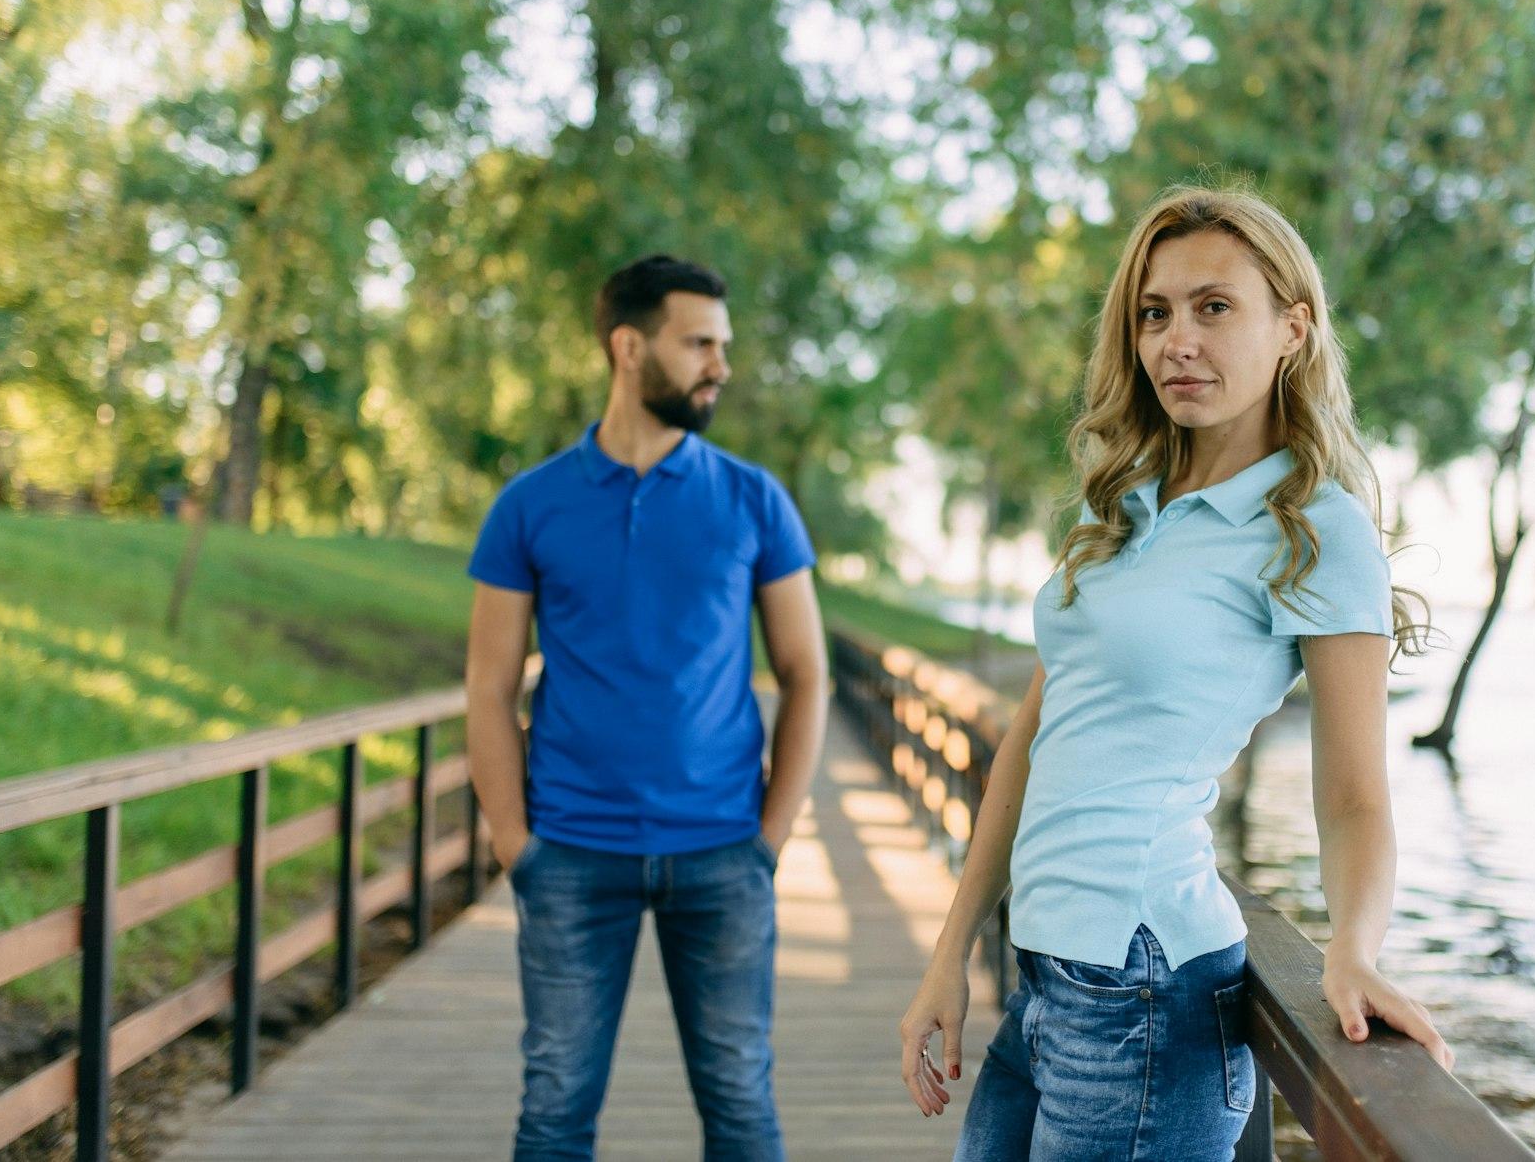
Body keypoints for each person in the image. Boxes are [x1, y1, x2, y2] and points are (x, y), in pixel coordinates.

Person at [897, 185, 1453, 1160]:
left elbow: (1356, 797)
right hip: (1044, 974)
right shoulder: (1116, 504)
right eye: (1153, 313)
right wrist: (950, 952)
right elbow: (1033, 737)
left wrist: (1352, 952)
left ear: (1291, 328)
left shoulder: (1314, 527)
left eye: (1212, 307)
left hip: (1145, 990)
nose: (1174, 340)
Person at [465, 254, 828, 1162]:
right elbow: (487, 685)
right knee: (553, 1109)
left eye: (723, 344)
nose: (721, 364)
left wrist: (769, 838)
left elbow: (806, 672)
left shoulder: (753, 499)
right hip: (573, 855)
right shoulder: (529, 505)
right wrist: (516, 841)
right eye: (699, 342)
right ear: (629, 347)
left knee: (742, 1104)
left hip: (721, 855)